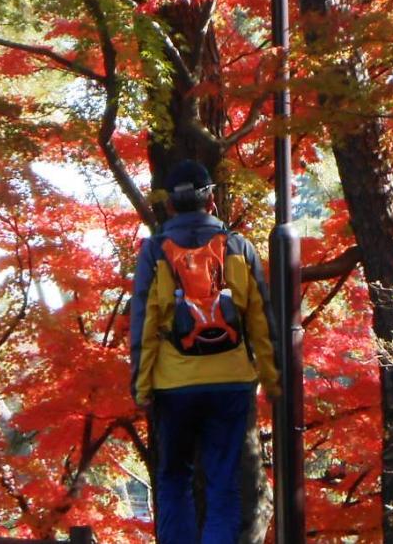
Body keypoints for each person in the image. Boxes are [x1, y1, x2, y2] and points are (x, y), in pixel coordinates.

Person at [131, 160, 281, 544]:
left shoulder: (155, 251)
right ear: (210, 200)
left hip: (174, 385)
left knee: (173, 478)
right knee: (223, 483)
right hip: (231, 383)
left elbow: (146, 325)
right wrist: (271, 379)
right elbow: (262, 320)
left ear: (169, 205)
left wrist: (142, 386)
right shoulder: (238, 247)